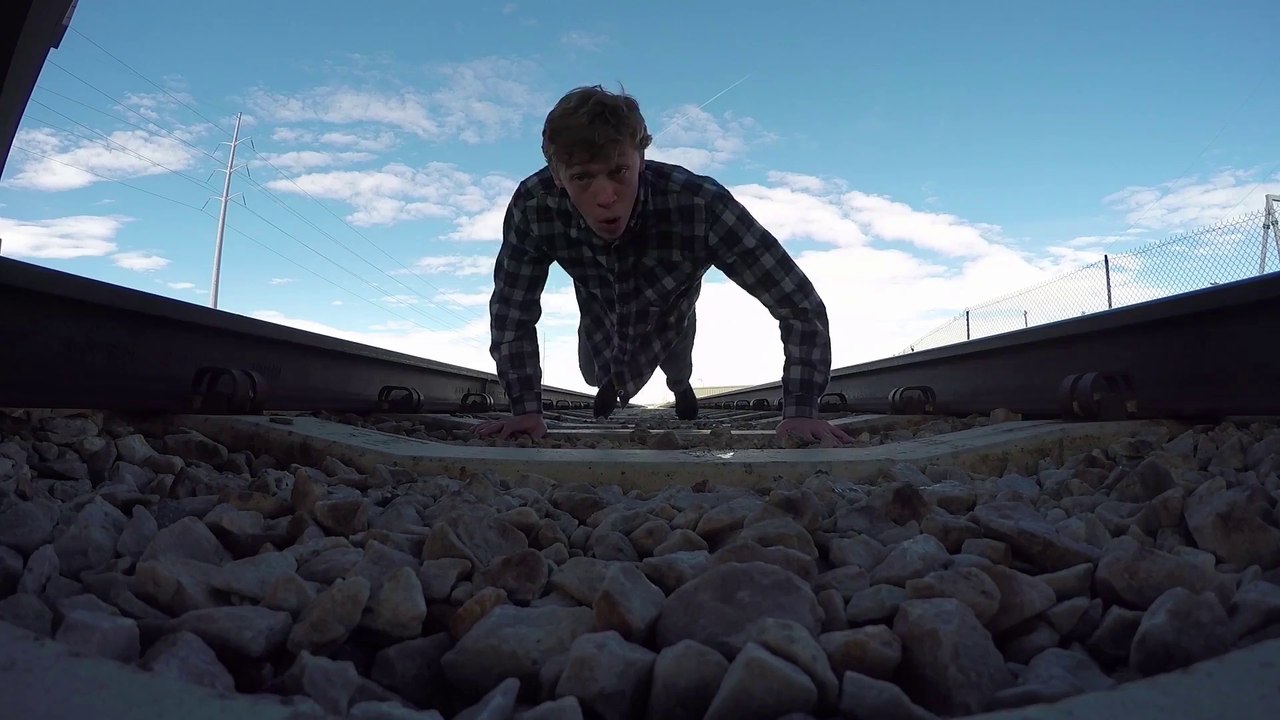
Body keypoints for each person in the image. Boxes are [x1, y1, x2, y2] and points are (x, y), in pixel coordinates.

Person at [475, 85, 853, 446]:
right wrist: (525, 407)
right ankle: (610, 386)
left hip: (673, 308)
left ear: (640, 158)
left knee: (676, 356)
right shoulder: (535, 206)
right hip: (598, 309)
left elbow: (797, 302)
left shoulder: (700, 205)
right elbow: (513, 311)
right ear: (558, 177)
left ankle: (679, 386)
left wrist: (802, 410)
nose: (605, 197)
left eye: (619, 172)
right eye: (582, 178)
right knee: (593, 372)